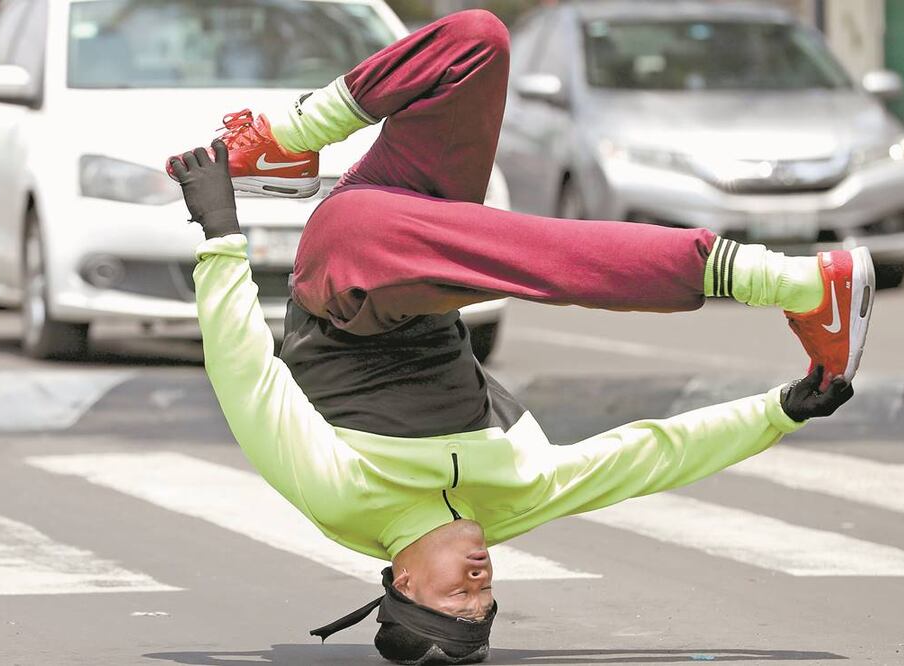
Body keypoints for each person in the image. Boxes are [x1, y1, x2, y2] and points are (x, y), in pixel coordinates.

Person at [167, 10, 867, 665]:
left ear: (403, 579)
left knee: (509, 252)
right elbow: (650, 458)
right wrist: (779, 412)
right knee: (475, 44)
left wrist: (221, 239)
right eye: (484, 599)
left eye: (455, 595)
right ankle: (282, 152)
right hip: (421, 258)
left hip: (351, 278)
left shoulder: (342, 498)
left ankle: (790, 282)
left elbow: (246, 380)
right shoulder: (516, 496)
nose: (479, 581)